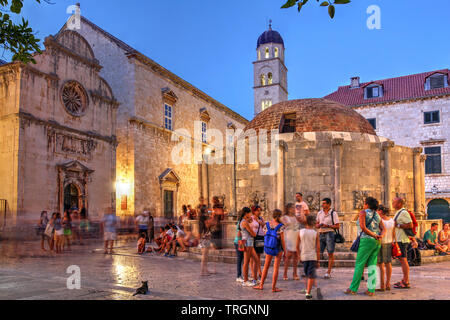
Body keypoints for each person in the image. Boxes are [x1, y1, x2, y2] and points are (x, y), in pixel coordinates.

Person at [345, 197, 383, 296]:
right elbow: (383, 228)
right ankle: (371, 290)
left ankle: (353, 288)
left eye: (364, 202)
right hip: (376, 242)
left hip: (366, 240)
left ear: (367, 204)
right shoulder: (377, 214)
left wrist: (373, 235)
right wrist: (380, 235)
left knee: (360, 264)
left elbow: (363, 227)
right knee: (372, 266)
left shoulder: (363, 212)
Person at [253, 209, 285, 293]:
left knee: (266, 266)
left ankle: (261, 285)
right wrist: (285, 250)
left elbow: (264, 234)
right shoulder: (281, 226)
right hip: (278, 247)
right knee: (276, 268)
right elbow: (282, 239)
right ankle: (273, 287)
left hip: (269, 246)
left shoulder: (267, 224)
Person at [297, 215, 321, 300]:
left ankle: (308, 289)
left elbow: (297, 246)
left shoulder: (300, 232)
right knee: (311, 275)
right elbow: (318, 248)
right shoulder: (315, 233)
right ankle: (308, 293)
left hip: (304, 256)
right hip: (312, 256)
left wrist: (299, 255)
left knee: (307, 274)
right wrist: (318, 260)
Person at [316, 198, 340, 279]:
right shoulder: (319, 213)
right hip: (321, 233)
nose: (322, 205)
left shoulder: (333, 213)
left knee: (330, 253)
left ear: (329, 204)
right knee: (318, 252)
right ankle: (314, 269)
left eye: (324, 203)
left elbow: (337, 226)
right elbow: (316, 224)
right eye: (322, 203)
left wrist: (328, 226)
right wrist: (319, 225)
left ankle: (328, 272)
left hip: (330, 233)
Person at [392, 197, 412, 289]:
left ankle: (406, 281)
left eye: (394, 202)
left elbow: (410, 225)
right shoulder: (398, 212)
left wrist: (398, 225)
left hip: (402, 240)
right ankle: (404, 280)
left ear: (399, 203)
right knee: (401, 260)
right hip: (399, 239)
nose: (392, 204)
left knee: (403, 260)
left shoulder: (404, 212)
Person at [376, 205, 395, 291]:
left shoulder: (380, 221)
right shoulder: (392, 220)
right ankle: (388, 283)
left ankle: (382, 285)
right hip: (389, 242)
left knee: (380, 264)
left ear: (380, 211)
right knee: (388, 263)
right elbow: (393, 233)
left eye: (377, 210)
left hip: (381, 242)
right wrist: (394, 242)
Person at [240, 207, 259, 287]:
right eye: (249, 213)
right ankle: (245, 280)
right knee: (246, 262)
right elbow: (253, 234)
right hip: (247, 242)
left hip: (250, 243)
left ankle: (254, 278)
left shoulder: (245, 221)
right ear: (246, 213)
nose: (251, 214)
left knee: (256, 260)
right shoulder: (244, 222)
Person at [281, 203, 300, 281]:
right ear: (288, 209)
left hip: (295, 236)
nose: (293, 209)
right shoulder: (284, 217)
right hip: (288, 236)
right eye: (292, 208)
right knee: (288, 255)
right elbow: (282, 226)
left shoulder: (296, 217)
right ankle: (285, 273)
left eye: (294, 208)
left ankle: (294, 273)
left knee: (296, 255)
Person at [251, 205, 265, 279]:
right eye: (257, 210)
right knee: (253, 256)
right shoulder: (251, 218)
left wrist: (259, 221)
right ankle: (253, 273)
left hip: (260, 236)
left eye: (260, 210)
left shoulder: (261, 218)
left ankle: (259, 271)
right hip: (254, 237)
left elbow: (263, 225)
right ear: (254, 211)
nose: (259, 212)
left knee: (258, 255)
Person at [234, 210, 246, 283]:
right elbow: (239, 234)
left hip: (240, 242)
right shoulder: (240, 223)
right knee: (240, 259)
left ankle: (243, 275)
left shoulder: (240, 222)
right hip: (239, 242)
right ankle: (238, 276)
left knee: (243, 259)